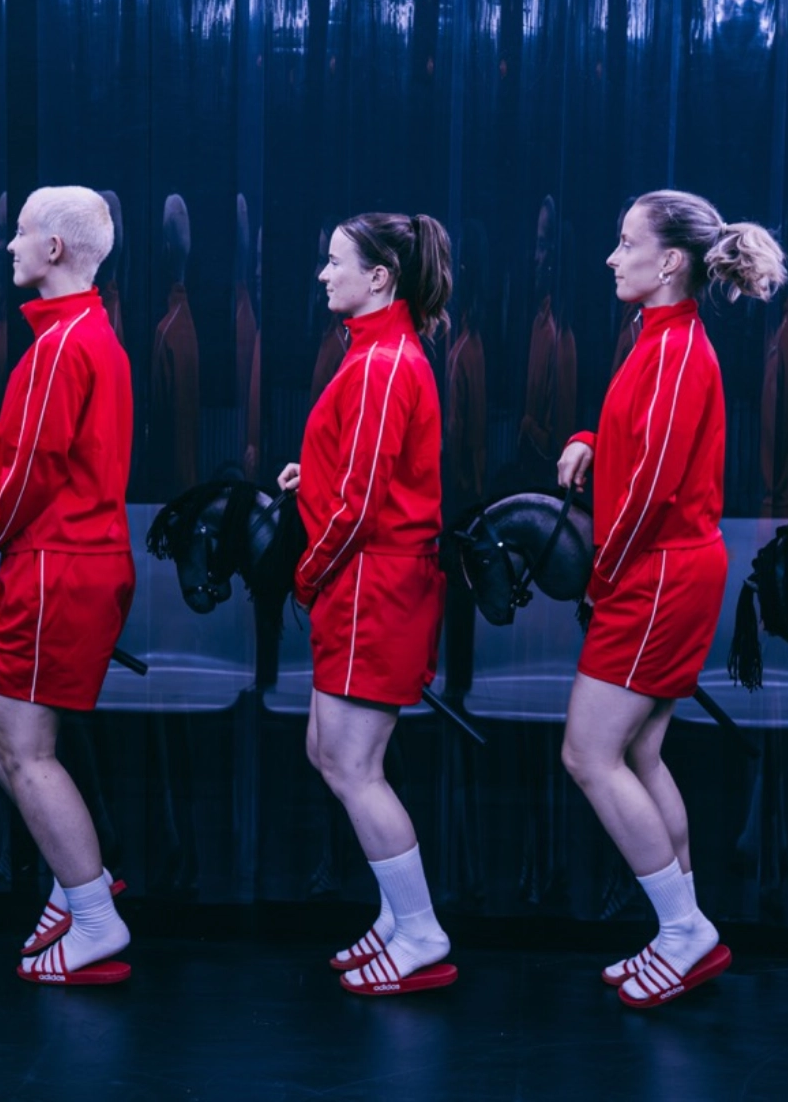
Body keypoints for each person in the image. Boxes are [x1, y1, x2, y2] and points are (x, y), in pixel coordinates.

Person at [556, 189, 786, 1008]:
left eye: (626, 244)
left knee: (588, 754)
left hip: (656, 574)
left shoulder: (679, 349)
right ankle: (679, 928)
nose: (613, 258)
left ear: (671, 262)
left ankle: (686, 931)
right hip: (661, 569)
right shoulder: (659, 340)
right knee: (640, 754)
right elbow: (637, 443)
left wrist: (602, 572)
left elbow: (652, 485)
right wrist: (589, 441)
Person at [0, 186, 136, 986]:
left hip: (59, 570)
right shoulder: (83, 335)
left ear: (54, 250)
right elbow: (47, 441)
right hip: (58, 565)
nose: (8, 246)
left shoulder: (60, 345)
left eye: (19, 234)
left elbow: (35, 479)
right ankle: (75, 878)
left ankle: (92, 913)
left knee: (27, 747)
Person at [277, 212, 457, 996]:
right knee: (331, 754)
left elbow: (362, 503)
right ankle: (397, 916)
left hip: (371, 586)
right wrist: (307, 478)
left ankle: (421, 931)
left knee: (353, 766)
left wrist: (306, 575)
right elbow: (357, 475)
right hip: (362, 580)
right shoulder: (374, 355)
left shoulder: (385, 361)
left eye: (334, 260)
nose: (323, 274)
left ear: (380, 276)